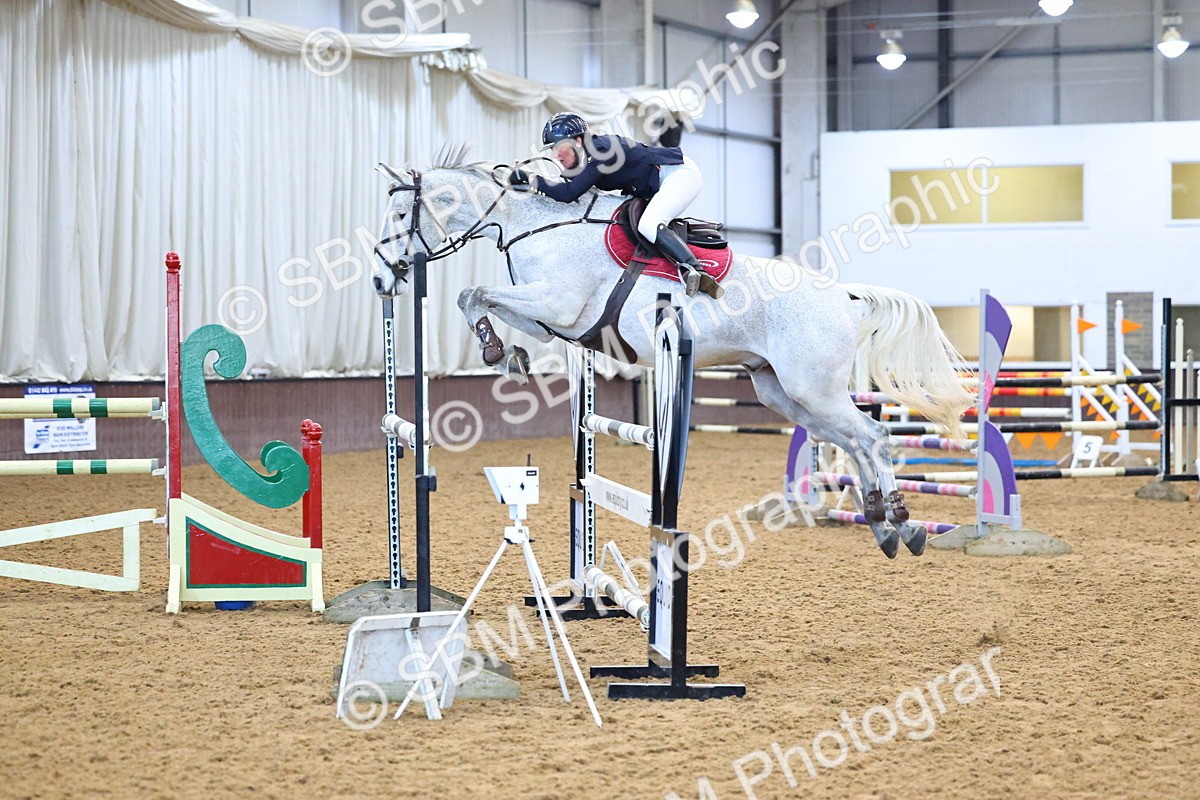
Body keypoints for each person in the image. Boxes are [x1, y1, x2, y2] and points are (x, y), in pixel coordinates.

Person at [508, 112, 721, 299]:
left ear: (578, 141)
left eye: (558, 147)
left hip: (679, 174)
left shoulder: (600, 150)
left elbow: (568, 194)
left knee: (649, 224)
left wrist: (532, 179)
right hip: (654, 183)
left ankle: (695, 270)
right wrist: (527, 185)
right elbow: (563, 187)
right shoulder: (586, 157)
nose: (554, 155)